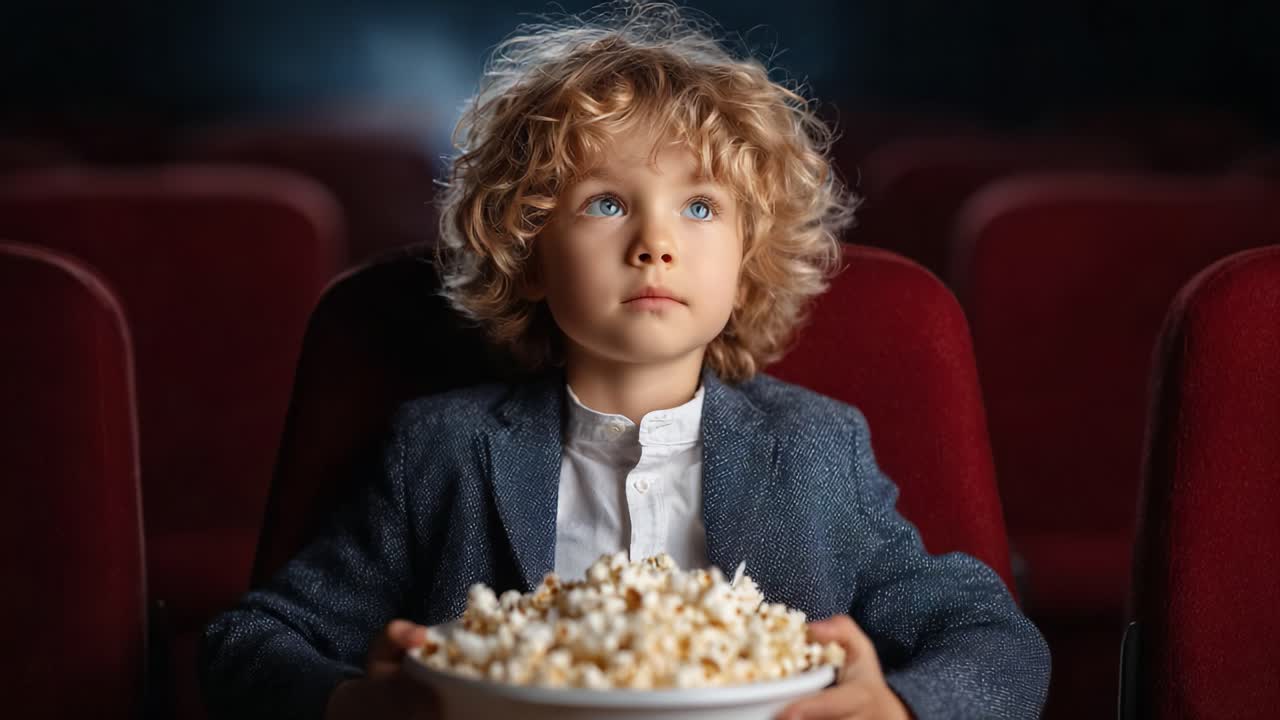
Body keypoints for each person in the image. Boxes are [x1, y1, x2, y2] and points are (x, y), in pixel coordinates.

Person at [199, 3, 1050, 718]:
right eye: (606, 202)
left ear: (750, 255)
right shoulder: (439, 451)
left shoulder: (818, 451)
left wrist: (899, 707)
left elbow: (1000, 645)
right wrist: (352, 702)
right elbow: (248, 644)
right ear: (528, 248)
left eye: (701, 206)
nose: (655, 243)